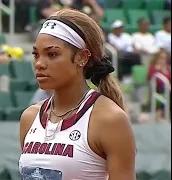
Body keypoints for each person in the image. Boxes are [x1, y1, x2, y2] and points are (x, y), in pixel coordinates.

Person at [19, 9, 136, 180]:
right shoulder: (30, 117)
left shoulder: (110, 119)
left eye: (52, 54)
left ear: (82, 57)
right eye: (36, 54)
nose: (39, 64)